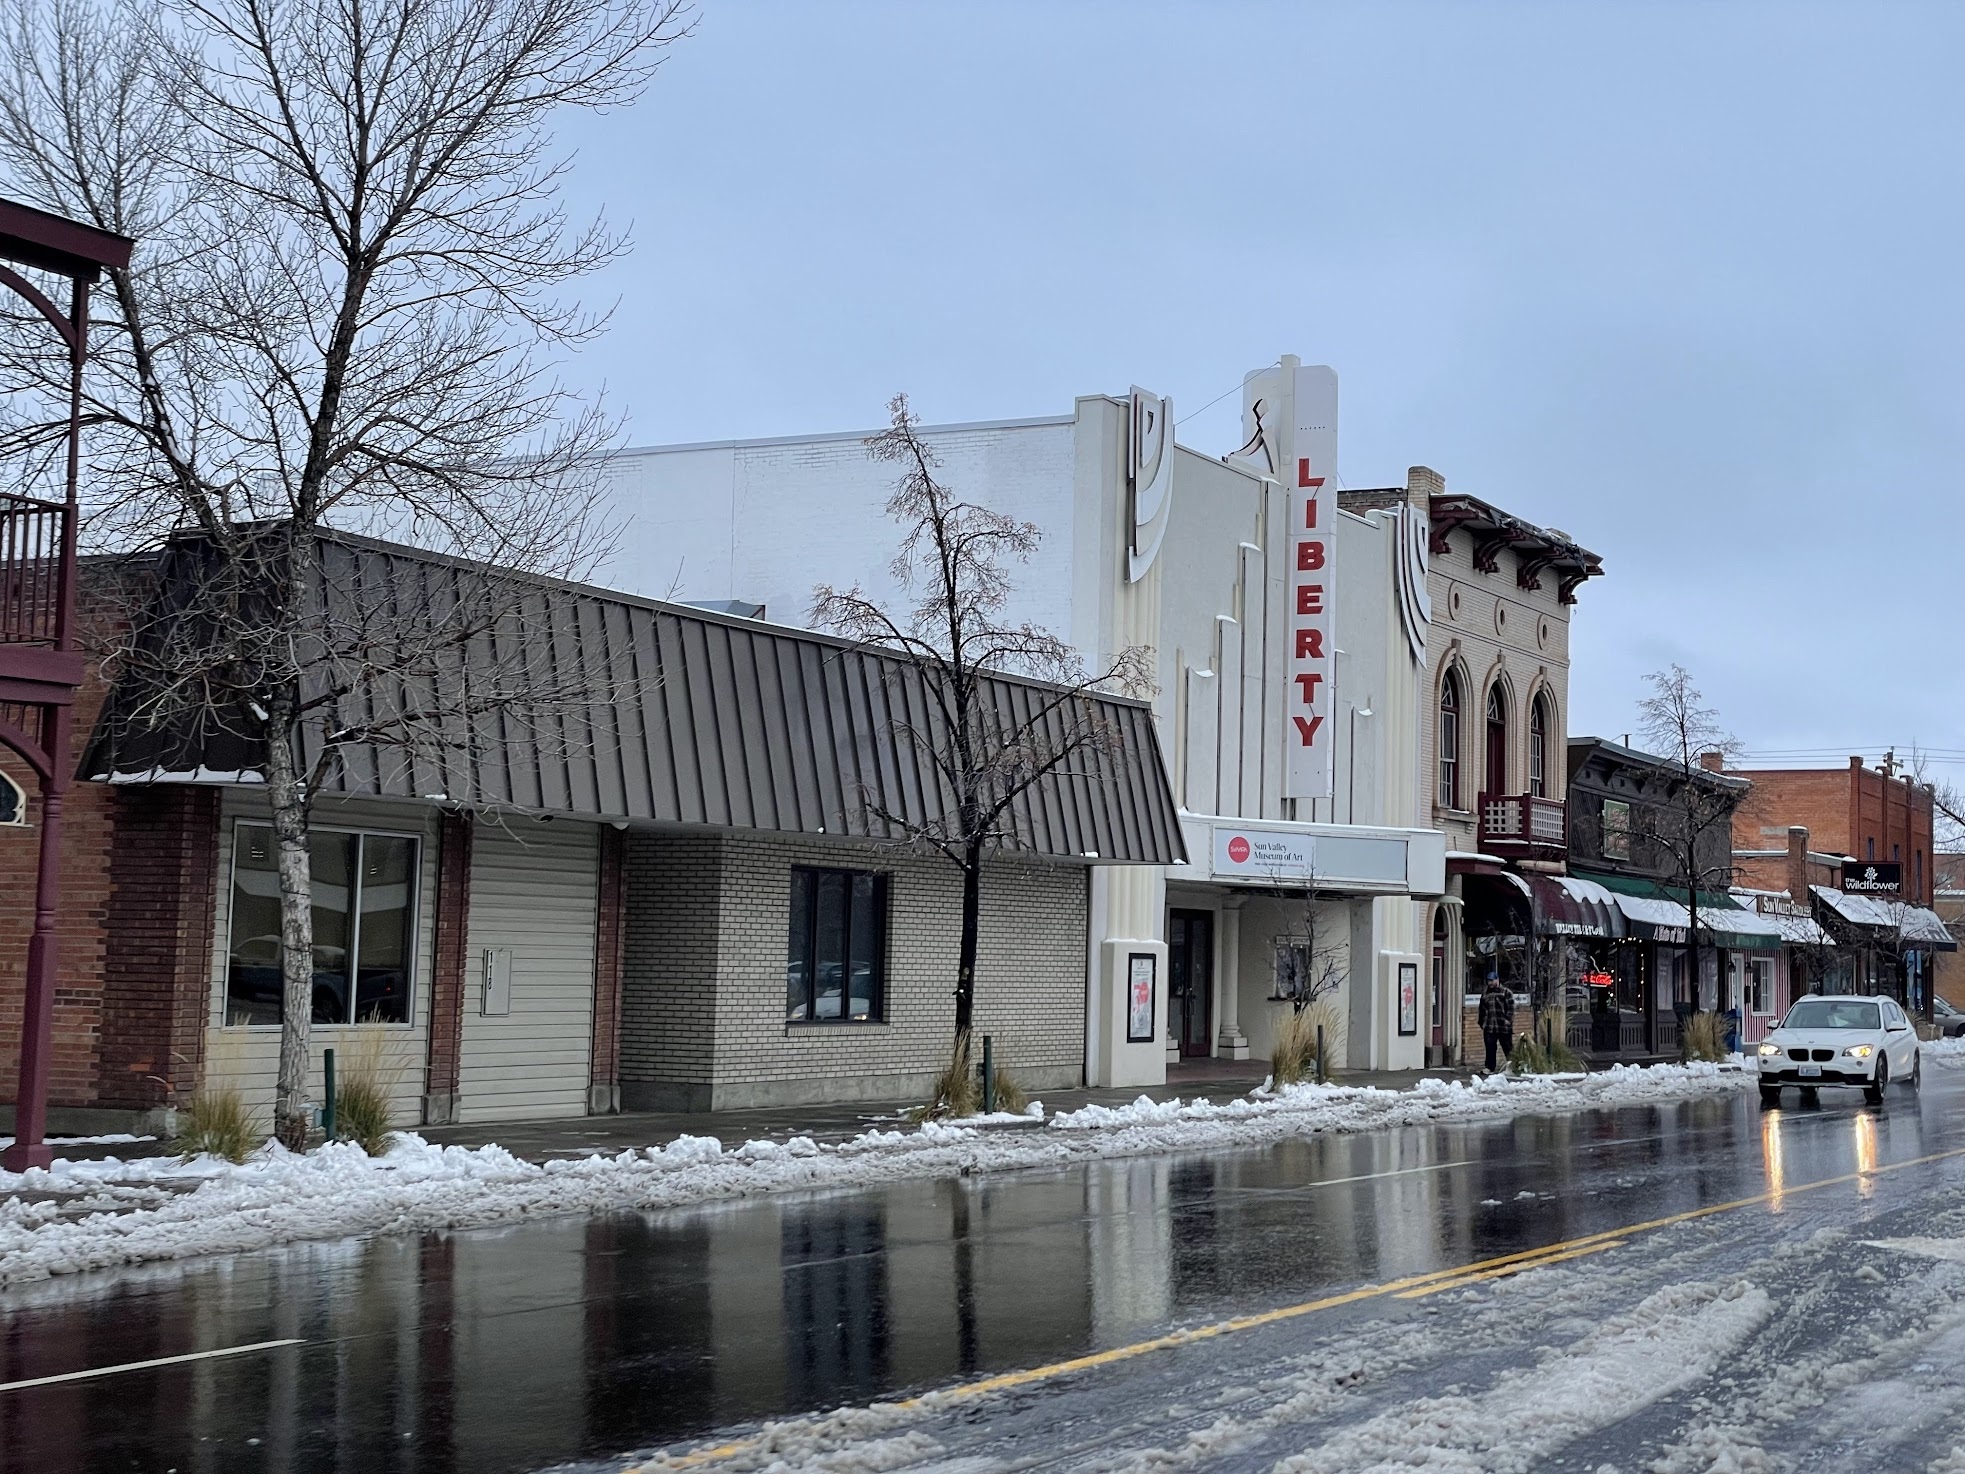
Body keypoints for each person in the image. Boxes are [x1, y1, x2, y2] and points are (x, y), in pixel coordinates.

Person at [1479, 978, 1515, 1073]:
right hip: (1489, 1025)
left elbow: (1511, 1007)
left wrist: (1508, 1019)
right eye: (1489, 981)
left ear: (1497, 980)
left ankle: (1513, 1065)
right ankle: (1490, 1067)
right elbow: (1482, 1009)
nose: (1490, 983)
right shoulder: (1486, 994)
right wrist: (1481, 1022)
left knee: (1507, 1047)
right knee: (1490, 1047)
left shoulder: (1506, 992)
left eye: (1492, 981)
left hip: (1503, 1025)